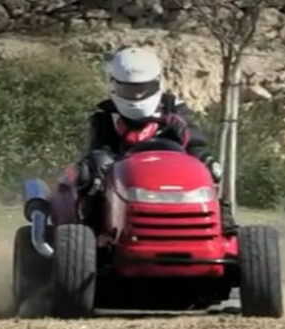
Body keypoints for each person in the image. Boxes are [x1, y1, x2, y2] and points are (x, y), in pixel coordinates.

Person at [75, 46, 238, 236]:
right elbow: (99, 145)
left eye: (142, 89)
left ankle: (222, 219)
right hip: (122, 170)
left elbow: (194, 141)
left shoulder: (173, 108)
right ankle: (91, 231)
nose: (136, 96)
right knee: (90, 169)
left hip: (172, 170)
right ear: (115, 85)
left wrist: (204, 158)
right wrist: (100, 162)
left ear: (157, 84)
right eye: (128, 89)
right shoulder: (105, 112)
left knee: (210, 167)